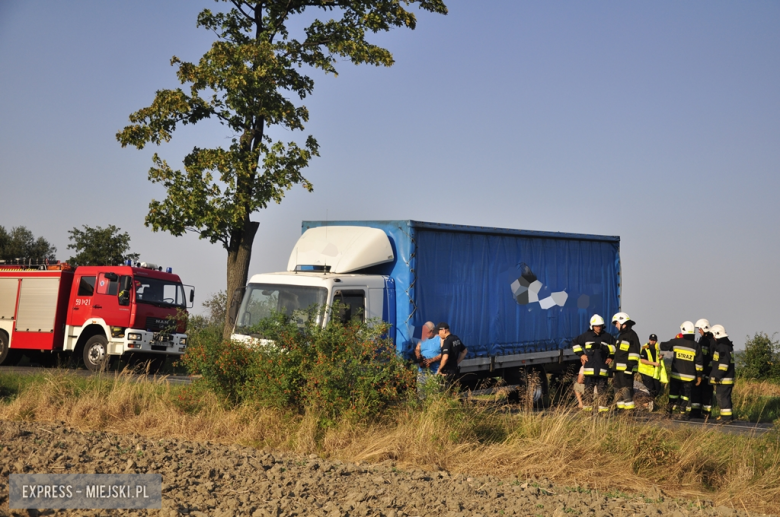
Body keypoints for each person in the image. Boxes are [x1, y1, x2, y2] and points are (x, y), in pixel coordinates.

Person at [571, 314, 615, 414]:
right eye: (596, 326)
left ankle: (603, 414)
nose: (598, 327)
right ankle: (587, 414)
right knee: (588, 393)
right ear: (592, 326)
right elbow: (575, 342)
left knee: (602, 393)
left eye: (600, 325)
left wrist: (611, 357)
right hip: (590, 370)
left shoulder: (607, 337)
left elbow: (615, 348)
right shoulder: (586, 336)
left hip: (602, 370)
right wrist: (581, 354)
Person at [659, 321, 702, 420]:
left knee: (673, 394)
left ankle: (668, 412)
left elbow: (663, 345)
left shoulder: (676, 342)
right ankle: (682, 413)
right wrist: (699, 376)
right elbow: (699, 363)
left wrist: (651, 346)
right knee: (685, 395)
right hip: (689, 377)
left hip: (676, 375)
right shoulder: (696, 346)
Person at [611, 312, 641, 413]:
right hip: (618, 370)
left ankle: (629, 413)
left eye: (617, 323)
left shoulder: (632, 335)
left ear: (623, 323)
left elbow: (635, 353)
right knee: (617, 389)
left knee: (626, 390)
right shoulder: (621, 336)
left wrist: (630, 367)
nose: (616, 325)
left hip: (626, 370)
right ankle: (621, 411)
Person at [709, 324, 735, 423]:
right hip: (726, 378)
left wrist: (717, 375)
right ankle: (726, 416)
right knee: (724, 397)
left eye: (713, 335)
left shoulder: (723, 347)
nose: (713, 337)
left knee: (722, 397)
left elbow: (724, 364)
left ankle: (726, 418)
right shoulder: (726, 346)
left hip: (724, 378)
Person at [694, 318, 716, 419]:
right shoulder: (703, 339)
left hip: (708, 372)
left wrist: (707, 372)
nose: (699, 331)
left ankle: (706, 413)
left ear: (705, 328)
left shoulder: (711, 341)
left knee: (707, 392)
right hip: (701, 371)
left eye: (700, 329)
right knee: (698, 392)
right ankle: (696, 412)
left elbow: (710, 358)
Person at [436, 322, 467, 390]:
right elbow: (464, 351)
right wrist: (457, 361)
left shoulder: (447, 341)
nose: (438, 334)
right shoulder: (456, 338)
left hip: (447, 371)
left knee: (445, 392)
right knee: (454, 390)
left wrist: (439, 369)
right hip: (454, 369)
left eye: (439, 332)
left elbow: (445, 358)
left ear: (444, 330)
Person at [638, 334, 662, 399]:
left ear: (656, 341)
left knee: (657, 389)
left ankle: (649, 401)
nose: (652, 342)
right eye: (651, 340)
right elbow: (642, 360)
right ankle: (646, 402)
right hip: (646, 372)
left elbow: (656, 358)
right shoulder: (645, 348)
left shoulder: (657, 348)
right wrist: (653, 363)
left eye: (654, 340)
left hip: (654, 373)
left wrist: (660, 357)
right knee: (649, 390)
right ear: (649, 340)